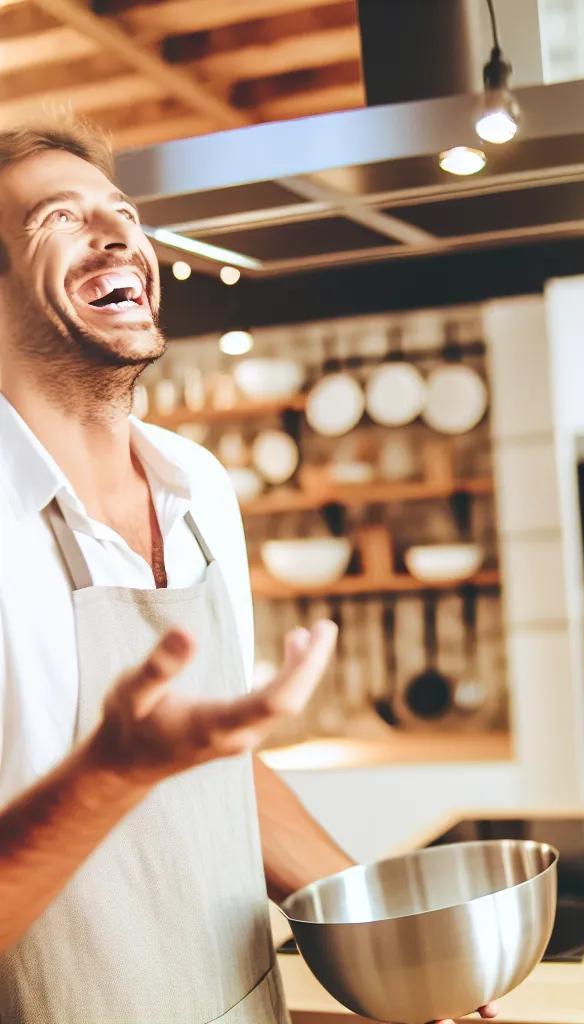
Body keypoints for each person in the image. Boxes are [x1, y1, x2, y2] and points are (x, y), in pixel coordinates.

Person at [0, 113, 498, 1024]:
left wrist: (395, 940)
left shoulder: (199, 486)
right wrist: (113, 772)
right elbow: (138, 768)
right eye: (57, 220)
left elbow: (213, 768)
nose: (117, 235)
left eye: (122, 213)